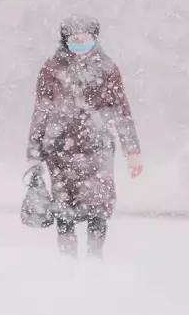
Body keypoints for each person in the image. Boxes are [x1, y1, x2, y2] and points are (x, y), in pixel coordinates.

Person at [26, 15, 143, 258]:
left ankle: (95, 259)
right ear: (65, 40)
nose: (80, 43)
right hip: (60, 150)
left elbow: (122, 111)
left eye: (85, 38)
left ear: (94, 38)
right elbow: (41, 112)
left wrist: (132, 151)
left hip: (97, 148)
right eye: (74, 39)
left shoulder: (108, 69)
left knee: (99, 209)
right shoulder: (52, 70)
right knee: (65, 211)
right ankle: (68, 264)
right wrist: (34, 153)